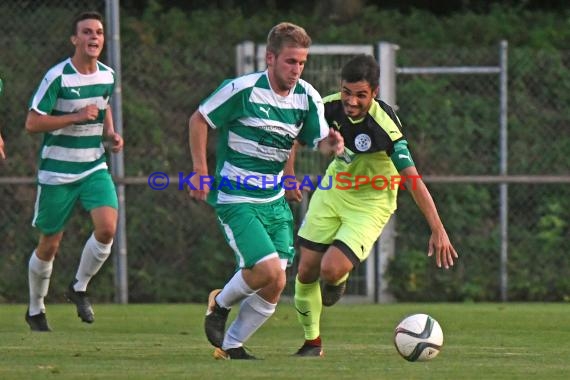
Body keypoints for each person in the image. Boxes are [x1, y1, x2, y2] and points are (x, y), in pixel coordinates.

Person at [188, 22, 344, 360]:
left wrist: (329, 144)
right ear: (270, 58)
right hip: (236, 197)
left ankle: (231, 346)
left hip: (274, 200)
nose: (296, 70)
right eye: (290, 61)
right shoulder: (242, 89)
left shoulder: (307, 96)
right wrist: (201, 171)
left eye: (302, 63)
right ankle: (220, 303)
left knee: (275, 283)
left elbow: (309, 139)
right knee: (268, 270)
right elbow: (199, 119)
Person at [293, 54, 459, 357]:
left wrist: (438, 228)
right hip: (334, 191)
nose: (351, 101)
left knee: (330, 269)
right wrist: (289, 177)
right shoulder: (327, 107)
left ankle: (336, 281)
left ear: (375, 93)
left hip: (372, 202)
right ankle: (311, 343)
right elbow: (296, 138)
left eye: (361, 95)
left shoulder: (385, 126)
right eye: (347, 92)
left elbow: (412, 179)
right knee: (305, 270)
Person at [24, 11, 123, 332]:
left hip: (94, 165)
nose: (94, 37)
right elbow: (32, 122)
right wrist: (74, 117)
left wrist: (110, 134)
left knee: (107, 228)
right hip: (57, 173)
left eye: (99, 32)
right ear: (74, 39)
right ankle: (36, 309)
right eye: (87, 32)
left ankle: (79, 287)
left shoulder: (108, 75)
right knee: (49, 243)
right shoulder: (58, 77)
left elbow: (103, 108)